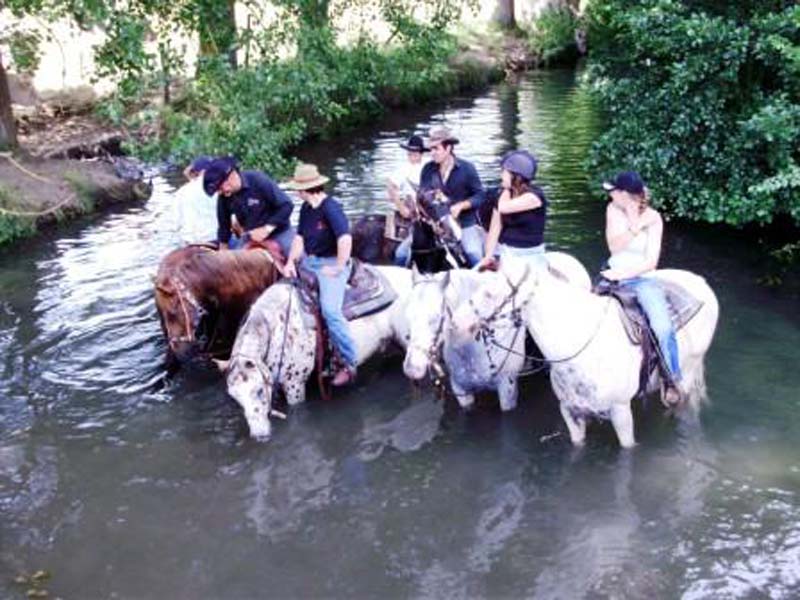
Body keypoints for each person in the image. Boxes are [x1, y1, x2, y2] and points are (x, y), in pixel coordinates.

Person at [600, 171, 681, 401]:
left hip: (642, 279)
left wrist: (625, 274)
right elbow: (614, 248)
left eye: (613, 190)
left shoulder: (654, 218)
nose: (610, 193)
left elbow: (651, 263)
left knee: (663, 328)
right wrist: (634, 224)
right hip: (612, 274)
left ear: (624, 194)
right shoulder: (612, 210)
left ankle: (672, 378)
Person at [283, 163, 358, 387]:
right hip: (312, 260)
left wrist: (338, 266)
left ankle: (350, 362)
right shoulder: (306, 209)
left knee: (331, 311)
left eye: (298, 188)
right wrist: (290, 261)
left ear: (306, 189)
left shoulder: (331, 208)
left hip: (331, 262)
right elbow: (300, 239)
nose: (296, 192)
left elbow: (345, 238)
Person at [418, 126, 486, 266]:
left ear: (448, 148)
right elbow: (422, 197)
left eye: (436, 149)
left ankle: (483, 282)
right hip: (435, 224)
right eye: (431, 149)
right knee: (402, 254)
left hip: (464, 223)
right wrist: (431, 221)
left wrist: (461, 205)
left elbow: (480, 195)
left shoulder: (467, 168)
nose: (432, 153)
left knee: (474, 255)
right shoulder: (427, 169)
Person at [202, 156, 295, 258]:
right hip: (250, 236)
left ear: (232, 176)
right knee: (235, 266)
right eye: (217, 190)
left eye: (220, 187)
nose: (220, 192)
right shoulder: (225, 196)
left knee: (296, 260)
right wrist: (223, 249)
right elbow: (224, 225)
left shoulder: (258, 180)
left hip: (279, 233)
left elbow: (286, 205)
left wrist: (267, 229)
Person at [479, 150, 547, 270]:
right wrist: (488, 256)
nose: (501, 176)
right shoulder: (502, 197)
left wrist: (505, 190)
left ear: (516, 176)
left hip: (530, 256)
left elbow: (504, 208)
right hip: (506, 252)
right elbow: (494, 229)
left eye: (504, 172)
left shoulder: (534, 197)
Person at [387, 134, 428, 266]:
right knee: (402, 254)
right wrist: (401, 208)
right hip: (413, 213)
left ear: (421, 153)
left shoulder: (429, 166)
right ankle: (399, 270)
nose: (412, 155)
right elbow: (391, 187)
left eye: (415, 152)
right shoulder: (403, 169)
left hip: (429, 211)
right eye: (410, 152)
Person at [173, 155, 218, 244]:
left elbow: (176, 223)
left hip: (189, 241)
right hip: (214, 238)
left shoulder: (181, 191)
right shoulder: (219, 189)